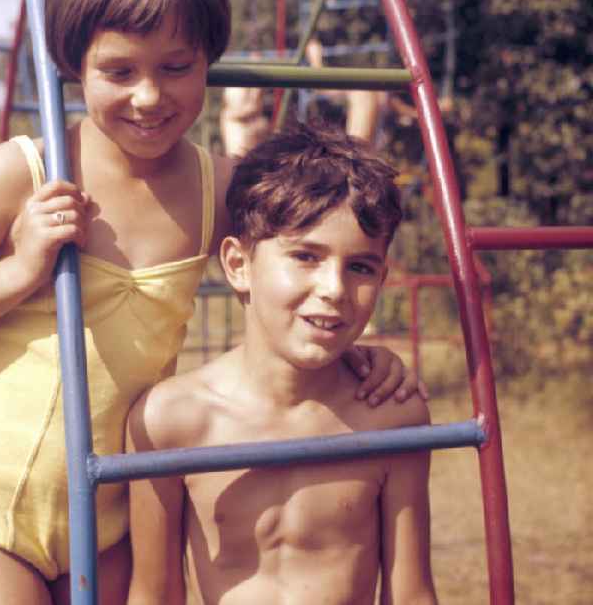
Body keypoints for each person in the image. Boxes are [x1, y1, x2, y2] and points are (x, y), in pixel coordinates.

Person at [0, 0, 421, 605]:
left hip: (113, 511)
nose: (150, 96)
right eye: (119, 71)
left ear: (207, 58)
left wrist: (359, 355)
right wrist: (17, 271)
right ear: (74, 62)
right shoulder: (27, 172)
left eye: (176, 67)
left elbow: (310, 261)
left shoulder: (215, 186)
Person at [126, 122, 437, 605]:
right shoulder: (169, 421)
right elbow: (154, 595)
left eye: (360, 267)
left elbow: (412, 592)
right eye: (306, 257)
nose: (334, 289)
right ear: (237, 265)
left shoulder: (393, 415)